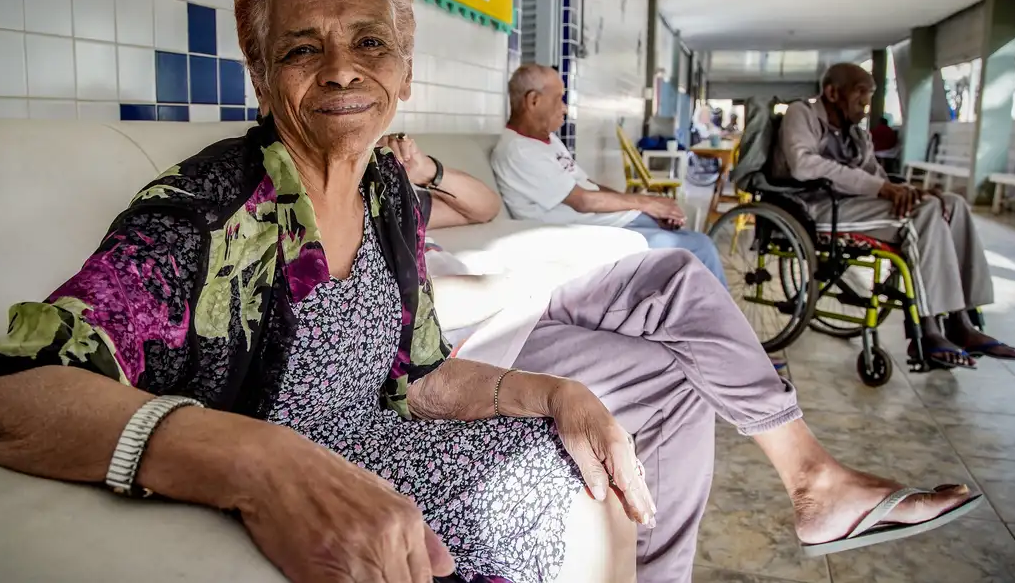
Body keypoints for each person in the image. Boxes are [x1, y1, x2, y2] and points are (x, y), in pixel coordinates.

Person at [0, 0, 978, 583]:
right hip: (290, 456)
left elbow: (420, 369)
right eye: (302, 47)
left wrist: (549, 388)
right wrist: (259, 463)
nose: (341, 66)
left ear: (405, 64)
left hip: (378, 431)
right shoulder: (213, 204)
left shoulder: (391, 192)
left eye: (369, 43)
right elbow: (5, 393)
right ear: (261, 73)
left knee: (583, 452)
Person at [382, 131, 981, 582]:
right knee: (672, 376)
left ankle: (812, 477)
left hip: (494, 295)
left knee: (674, 274)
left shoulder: (376, 182)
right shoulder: (304, 209)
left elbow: (482, 209)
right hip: (452, 334)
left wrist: (422, 168)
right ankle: (810, 486)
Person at [773, 63, 1015, 367]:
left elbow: (875, 175)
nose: (867, 101)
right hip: (813, 207)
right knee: (924, 217)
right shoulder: (803, 114)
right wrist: (881, 188)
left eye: (872, 93)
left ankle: (962, 320)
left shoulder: (856, 133)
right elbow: (803, 165)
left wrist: (905, 189)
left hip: (851, 205)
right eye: (860, 92)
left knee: (951, 203)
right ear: (832, 92)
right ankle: (928, 330)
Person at [490, 64, 726, 283]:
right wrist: (646, 203)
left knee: (685, 237)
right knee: (700, 246)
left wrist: (638, 208)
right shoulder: (518, 150)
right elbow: (583, 200)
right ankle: (720, 325)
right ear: (533, 101)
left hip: (609, 223)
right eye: (559, 98)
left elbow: (588, 185)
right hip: (583, 238)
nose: (564, 108)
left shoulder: (547, 140)